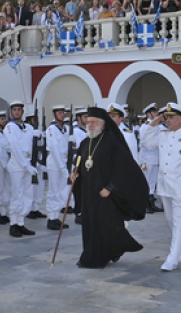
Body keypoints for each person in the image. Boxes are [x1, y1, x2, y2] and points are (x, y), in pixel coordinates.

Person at [70, 107, 149, 269]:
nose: (89, 125)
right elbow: (80, 165)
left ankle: (102, 255)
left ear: (102, 124)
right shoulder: (85, 143)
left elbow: (124, 168)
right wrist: (74, 175)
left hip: (105, 193)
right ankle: (91, 255)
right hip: (88, 192)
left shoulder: (112, 142)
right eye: (88, 121)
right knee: (90, 225)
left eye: (93, 122)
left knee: (106, 226)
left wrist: (110, 187)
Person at [139, 103, 181, 272]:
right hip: (165, 185)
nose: (168, 120)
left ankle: (173, 258)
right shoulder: (163, 134)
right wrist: (152, 124)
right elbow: (146, 143)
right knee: (170, 220)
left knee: (178, 222)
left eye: (171, 117)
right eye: (166, 117)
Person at [3, 101, 38, 238]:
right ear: (11, 112)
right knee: (17, 194)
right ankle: (14, 224)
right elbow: (14, 147)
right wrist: (25, 165)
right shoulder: (9, 127)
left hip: (28, 162)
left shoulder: (29, 127)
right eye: (15, 109)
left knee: (27, 194)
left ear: (23, 112)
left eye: (19, 109)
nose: (17, 112)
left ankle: (21, 222)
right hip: (18, 163)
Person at [43, 106, 72, 230]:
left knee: (61, 191)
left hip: (64, 160)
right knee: (54, 191)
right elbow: (54, 149)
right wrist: (62, 167)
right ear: (54, 114)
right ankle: (51, 218)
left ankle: (56, 216)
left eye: (63, 113)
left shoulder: (64, 129)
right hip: (55, 162)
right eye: (59, 113)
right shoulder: (52, 129)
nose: (61, 115)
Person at [139, 104, 162, 212]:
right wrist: (142, 160)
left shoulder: (158, 126)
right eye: (154, 112)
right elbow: (143, 143)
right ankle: (145, 204)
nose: (157, 114)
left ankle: (151, 202)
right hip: (147, 158)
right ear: (149, 114)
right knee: (147, 181)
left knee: (153, 181)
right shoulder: (145, 126)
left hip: (155, 157)